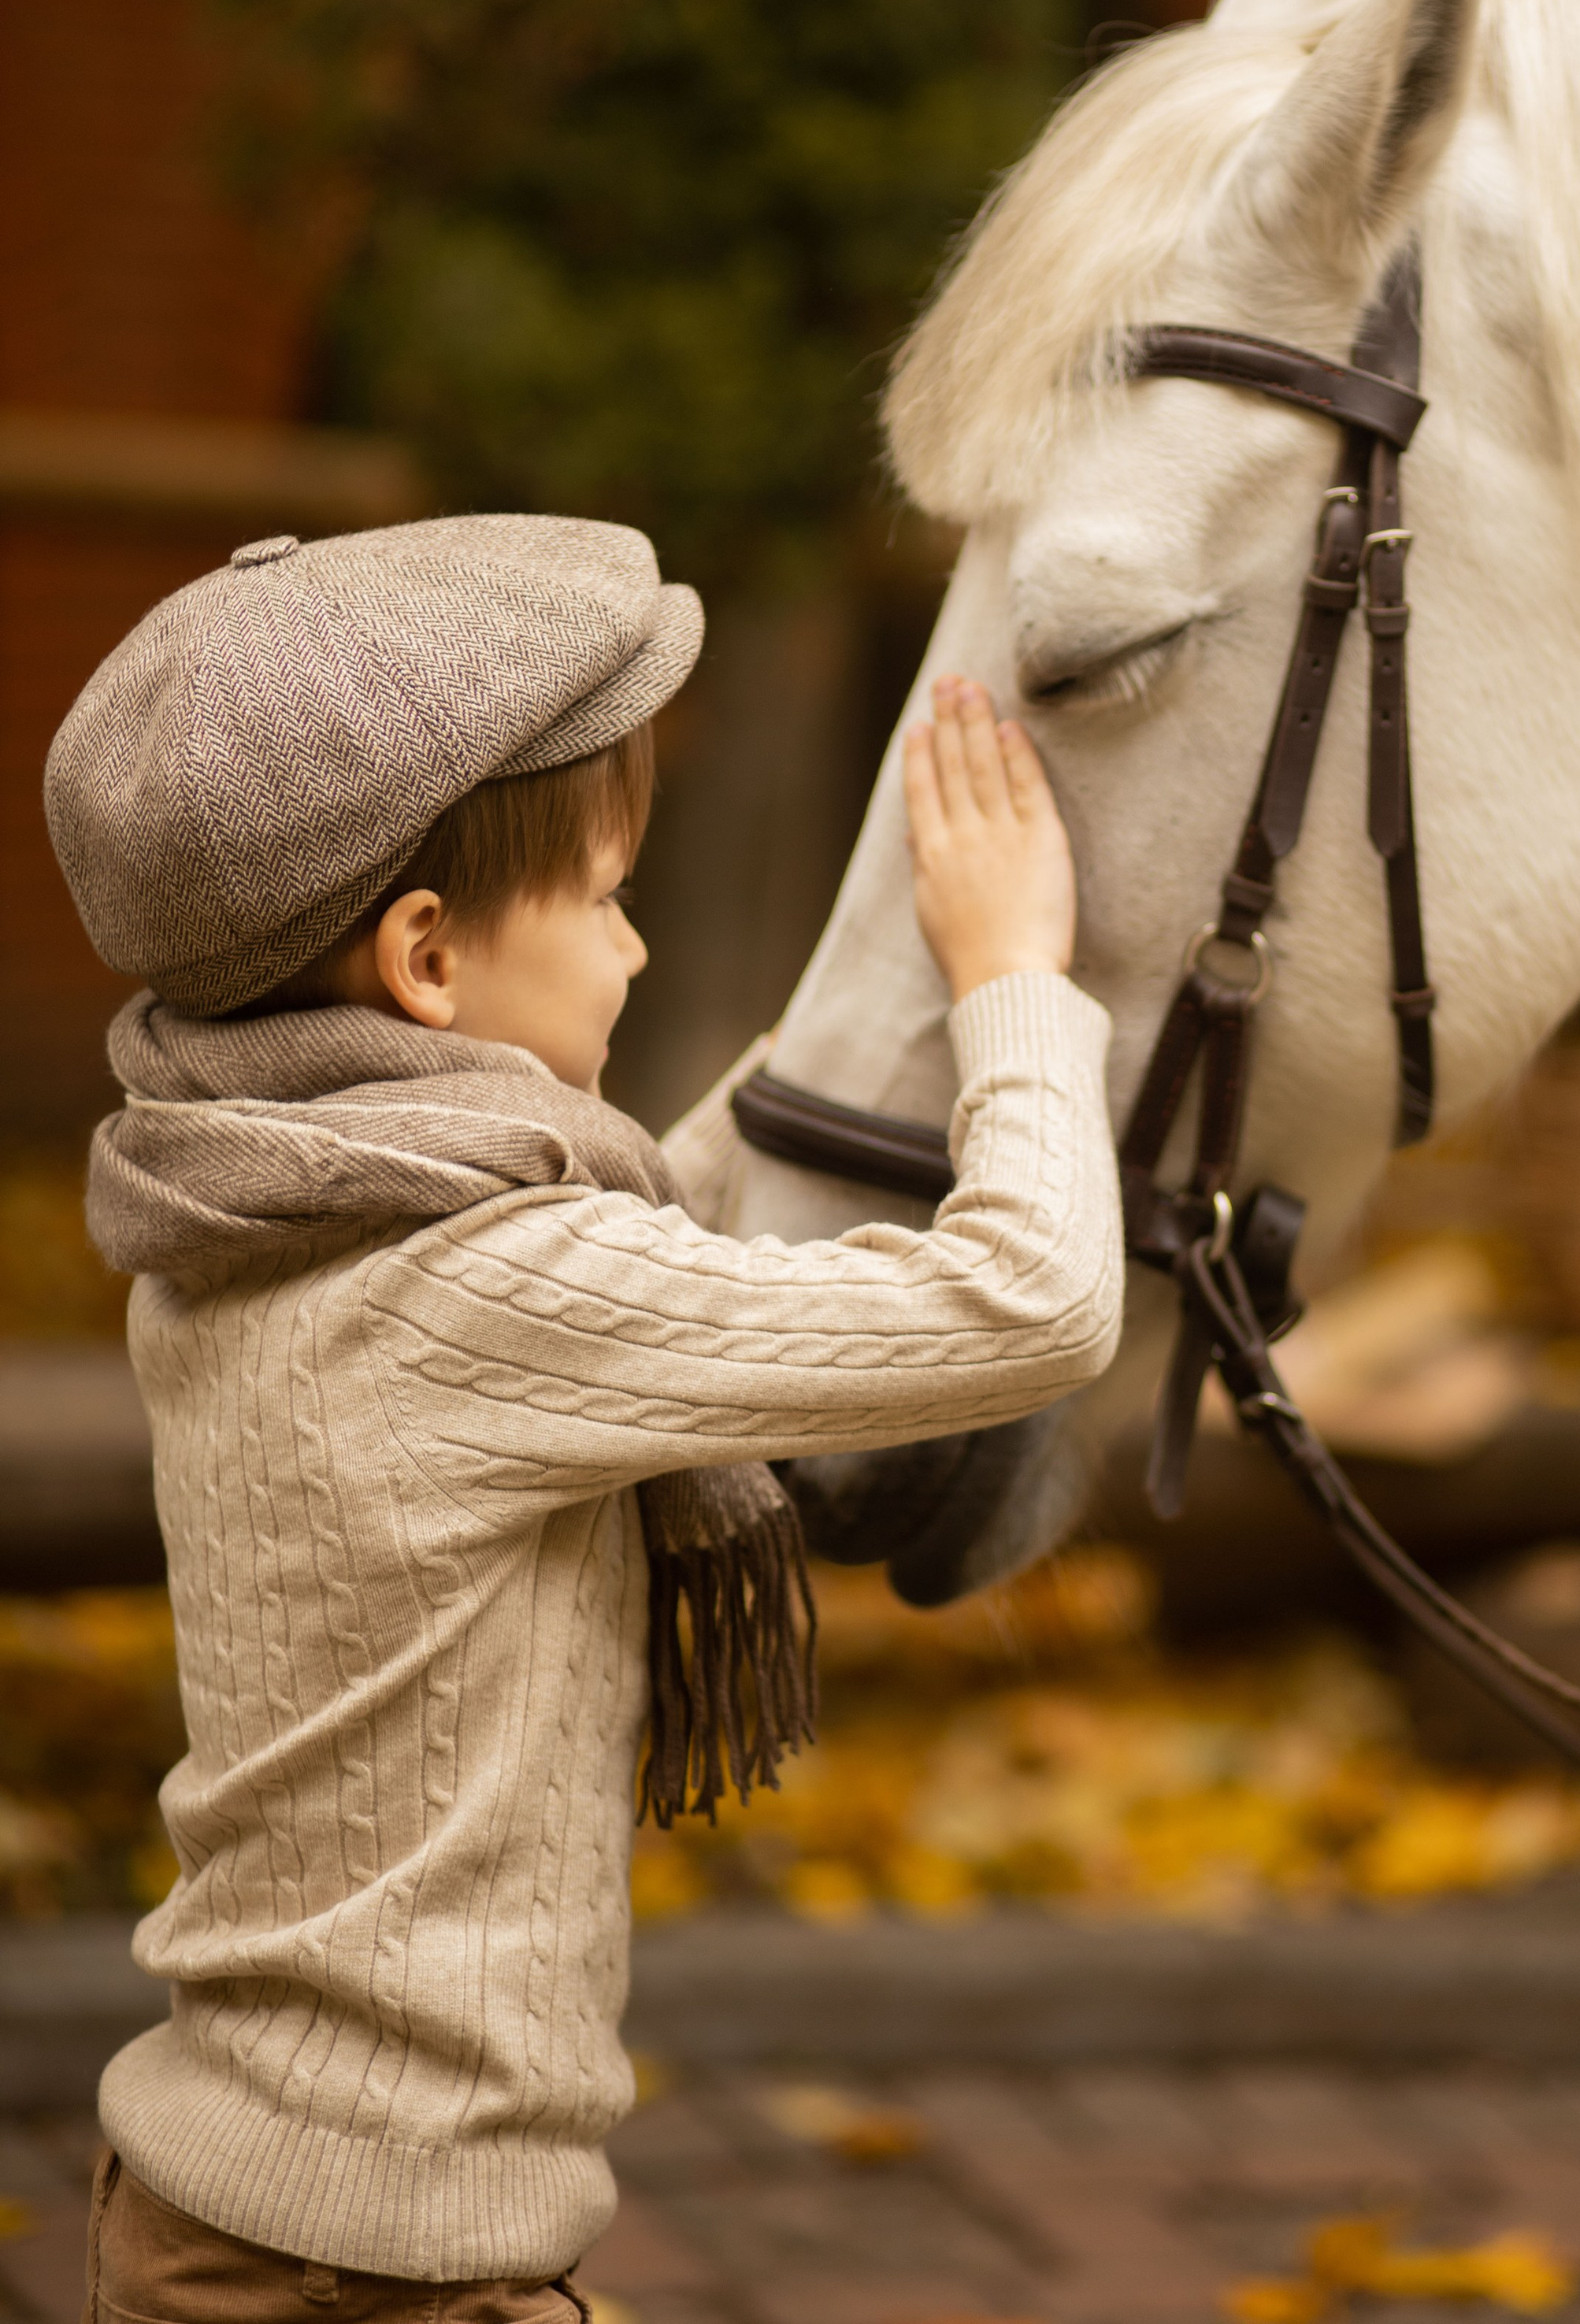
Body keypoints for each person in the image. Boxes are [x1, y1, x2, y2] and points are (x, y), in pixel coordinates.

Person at [45, 513, 1123, 2324]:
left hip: (247, 2214)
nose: (634, 950)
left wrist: (846, 1030)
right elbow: (1033, 1300)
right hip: (373, 2276)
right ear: (427, 965)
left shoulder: (248, 1212)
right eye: (613, 898)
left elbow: (624, 1245)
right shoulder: (473, 1292)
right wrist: (1016, 979)